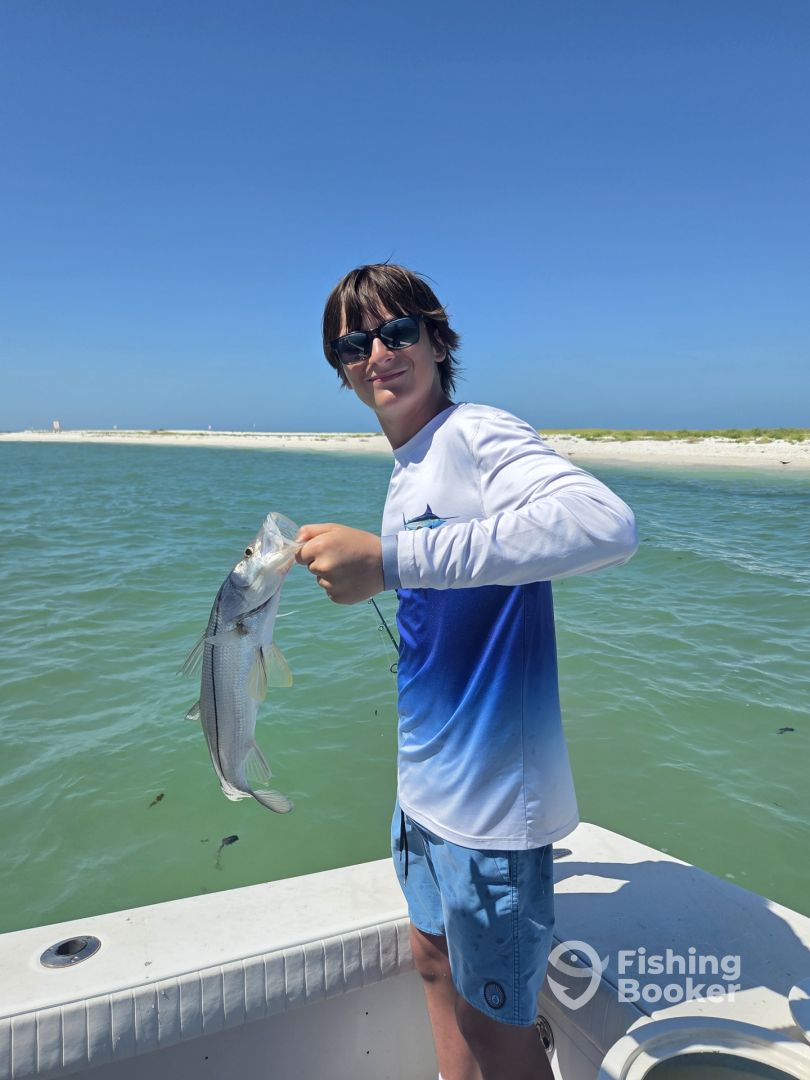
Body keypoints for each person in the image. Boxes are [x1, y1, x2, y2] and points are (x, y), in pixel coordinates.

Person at [296, 264, 638, 1080]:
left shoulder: (475, 433)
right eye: (353, 344)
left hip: (489, 812)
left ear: (437, 339)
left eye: (397, 331)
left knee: (495, 1027)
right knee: (429, 960)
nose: (378, 354)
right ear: (341, 369)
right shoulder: (408, 466)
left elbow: (605, 524)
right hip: (421, 793)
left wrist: (391, 562)